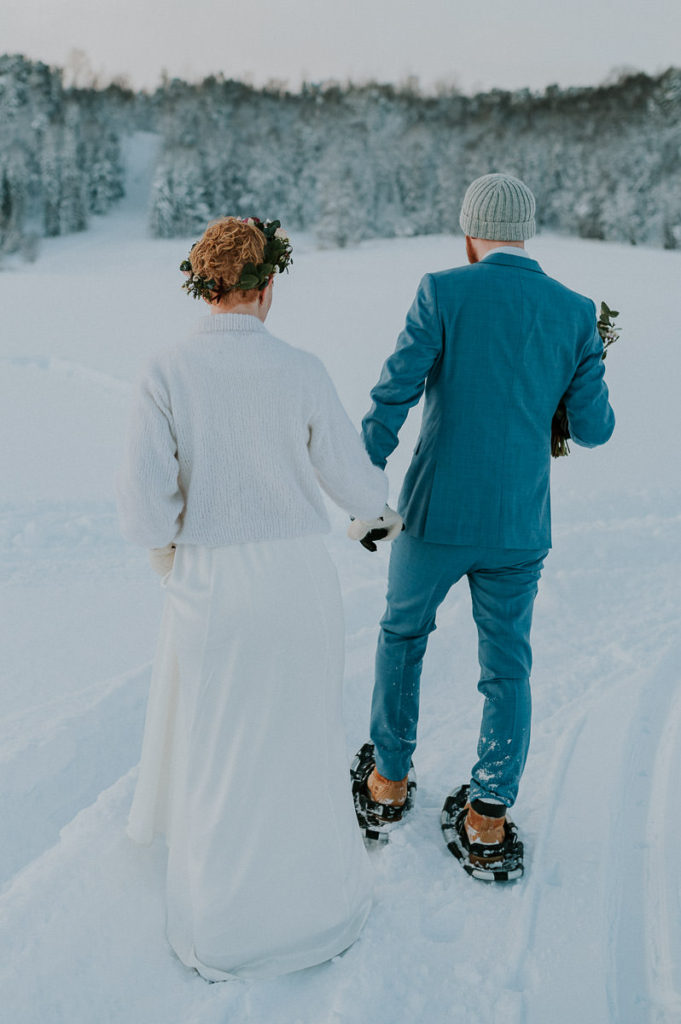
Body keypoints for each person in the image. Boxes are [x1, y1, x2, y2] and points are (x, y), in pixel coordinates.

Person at [116, 216, 402, 979]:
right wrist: (373, 514)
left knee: (221, 751)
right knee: (301, 740)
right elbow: (352, 478)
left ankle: (225, 926)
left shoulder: (165, 370)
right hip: (296, 582)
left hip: (210, 583)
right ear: (266, 283)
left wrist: (168, 558)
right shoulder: (301, 369)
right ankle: (313, 910)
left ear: (203, 284)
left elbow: (144, 502)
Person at [347, 174, 615, 881]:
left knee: (402, 636)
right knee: (507, 666)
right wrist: (562, 383)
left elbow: (393, 394)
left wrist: (358, 481)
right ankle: (487, 815)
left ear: (470, 234)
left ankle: (388, 783)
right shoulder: (573, 312)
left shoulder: (443, 290)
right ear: (526, 234)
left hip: (436, 516)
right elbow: (595, 429)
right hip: (519, 523)